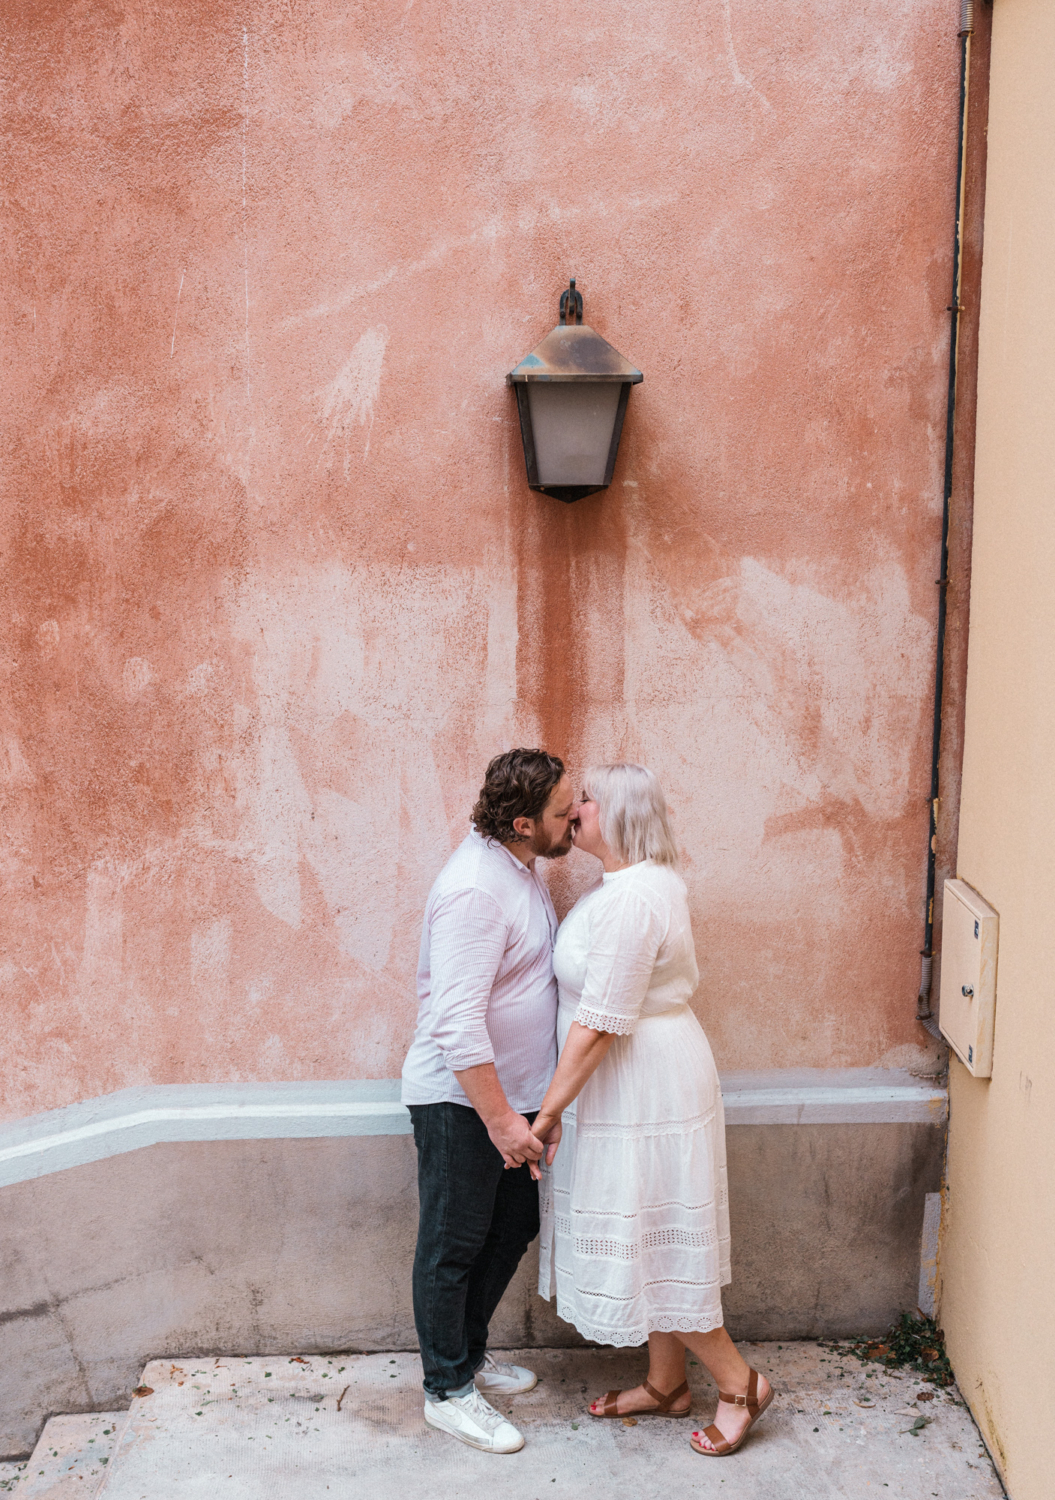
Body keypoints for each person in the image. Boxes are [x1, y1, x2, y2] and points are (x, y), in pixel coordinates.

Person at [533, 763, 774, 1458]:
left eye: (585, 799)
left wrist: (547, 1112)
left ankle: (739, 1385)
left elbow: (601, 1021)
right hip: (630, 1083)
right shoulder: (630, 885)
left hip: (640, 1085)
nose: (573, 809)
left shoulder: (634, 899)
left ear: (618, 814)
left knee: (655, 1238)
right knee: (654, 1232)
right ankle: (667, 1387)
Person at [400, 748, 573, 1454]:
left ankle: (467, 1359)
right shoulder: (476, 889)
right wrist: (501, 1118)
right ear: (523, 821)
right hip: (461, 1104)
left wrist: (534, 1106)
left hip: (515, 1100)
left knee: (511, 1229)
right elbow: (456, 1020)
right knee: (452, 1245)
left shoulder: (515, 869)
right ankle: (446, 1389)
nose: (574, 820)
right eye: (563, 812)